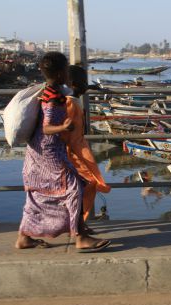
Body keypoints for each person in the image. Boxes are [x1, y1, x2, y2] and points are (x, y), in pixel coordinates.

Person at [15, 52, 111, 252]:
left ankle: (23, 238)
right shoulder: (54, 98)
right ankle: (80, 237)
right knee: (75, 187)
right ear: (60, 74)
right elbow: (47, 127)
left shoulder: (48, 90)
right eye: (67, 69)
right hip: (49, 151)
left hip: (37, 150)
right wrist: (64, 127)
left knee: (37, 193)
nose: (69, 73)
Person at [61, 65, 111, 230]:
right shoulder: (70, 103)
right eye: (84, 82)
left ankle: (78, 224)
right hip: (73, 153)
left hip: (78, 151)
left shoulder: (73, 97)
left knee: (85, 185)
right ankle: (78, 225)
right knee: (84, 185)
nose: (86, 85)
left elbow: (78, 90)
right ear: (74, 84)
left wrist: (89, 87)